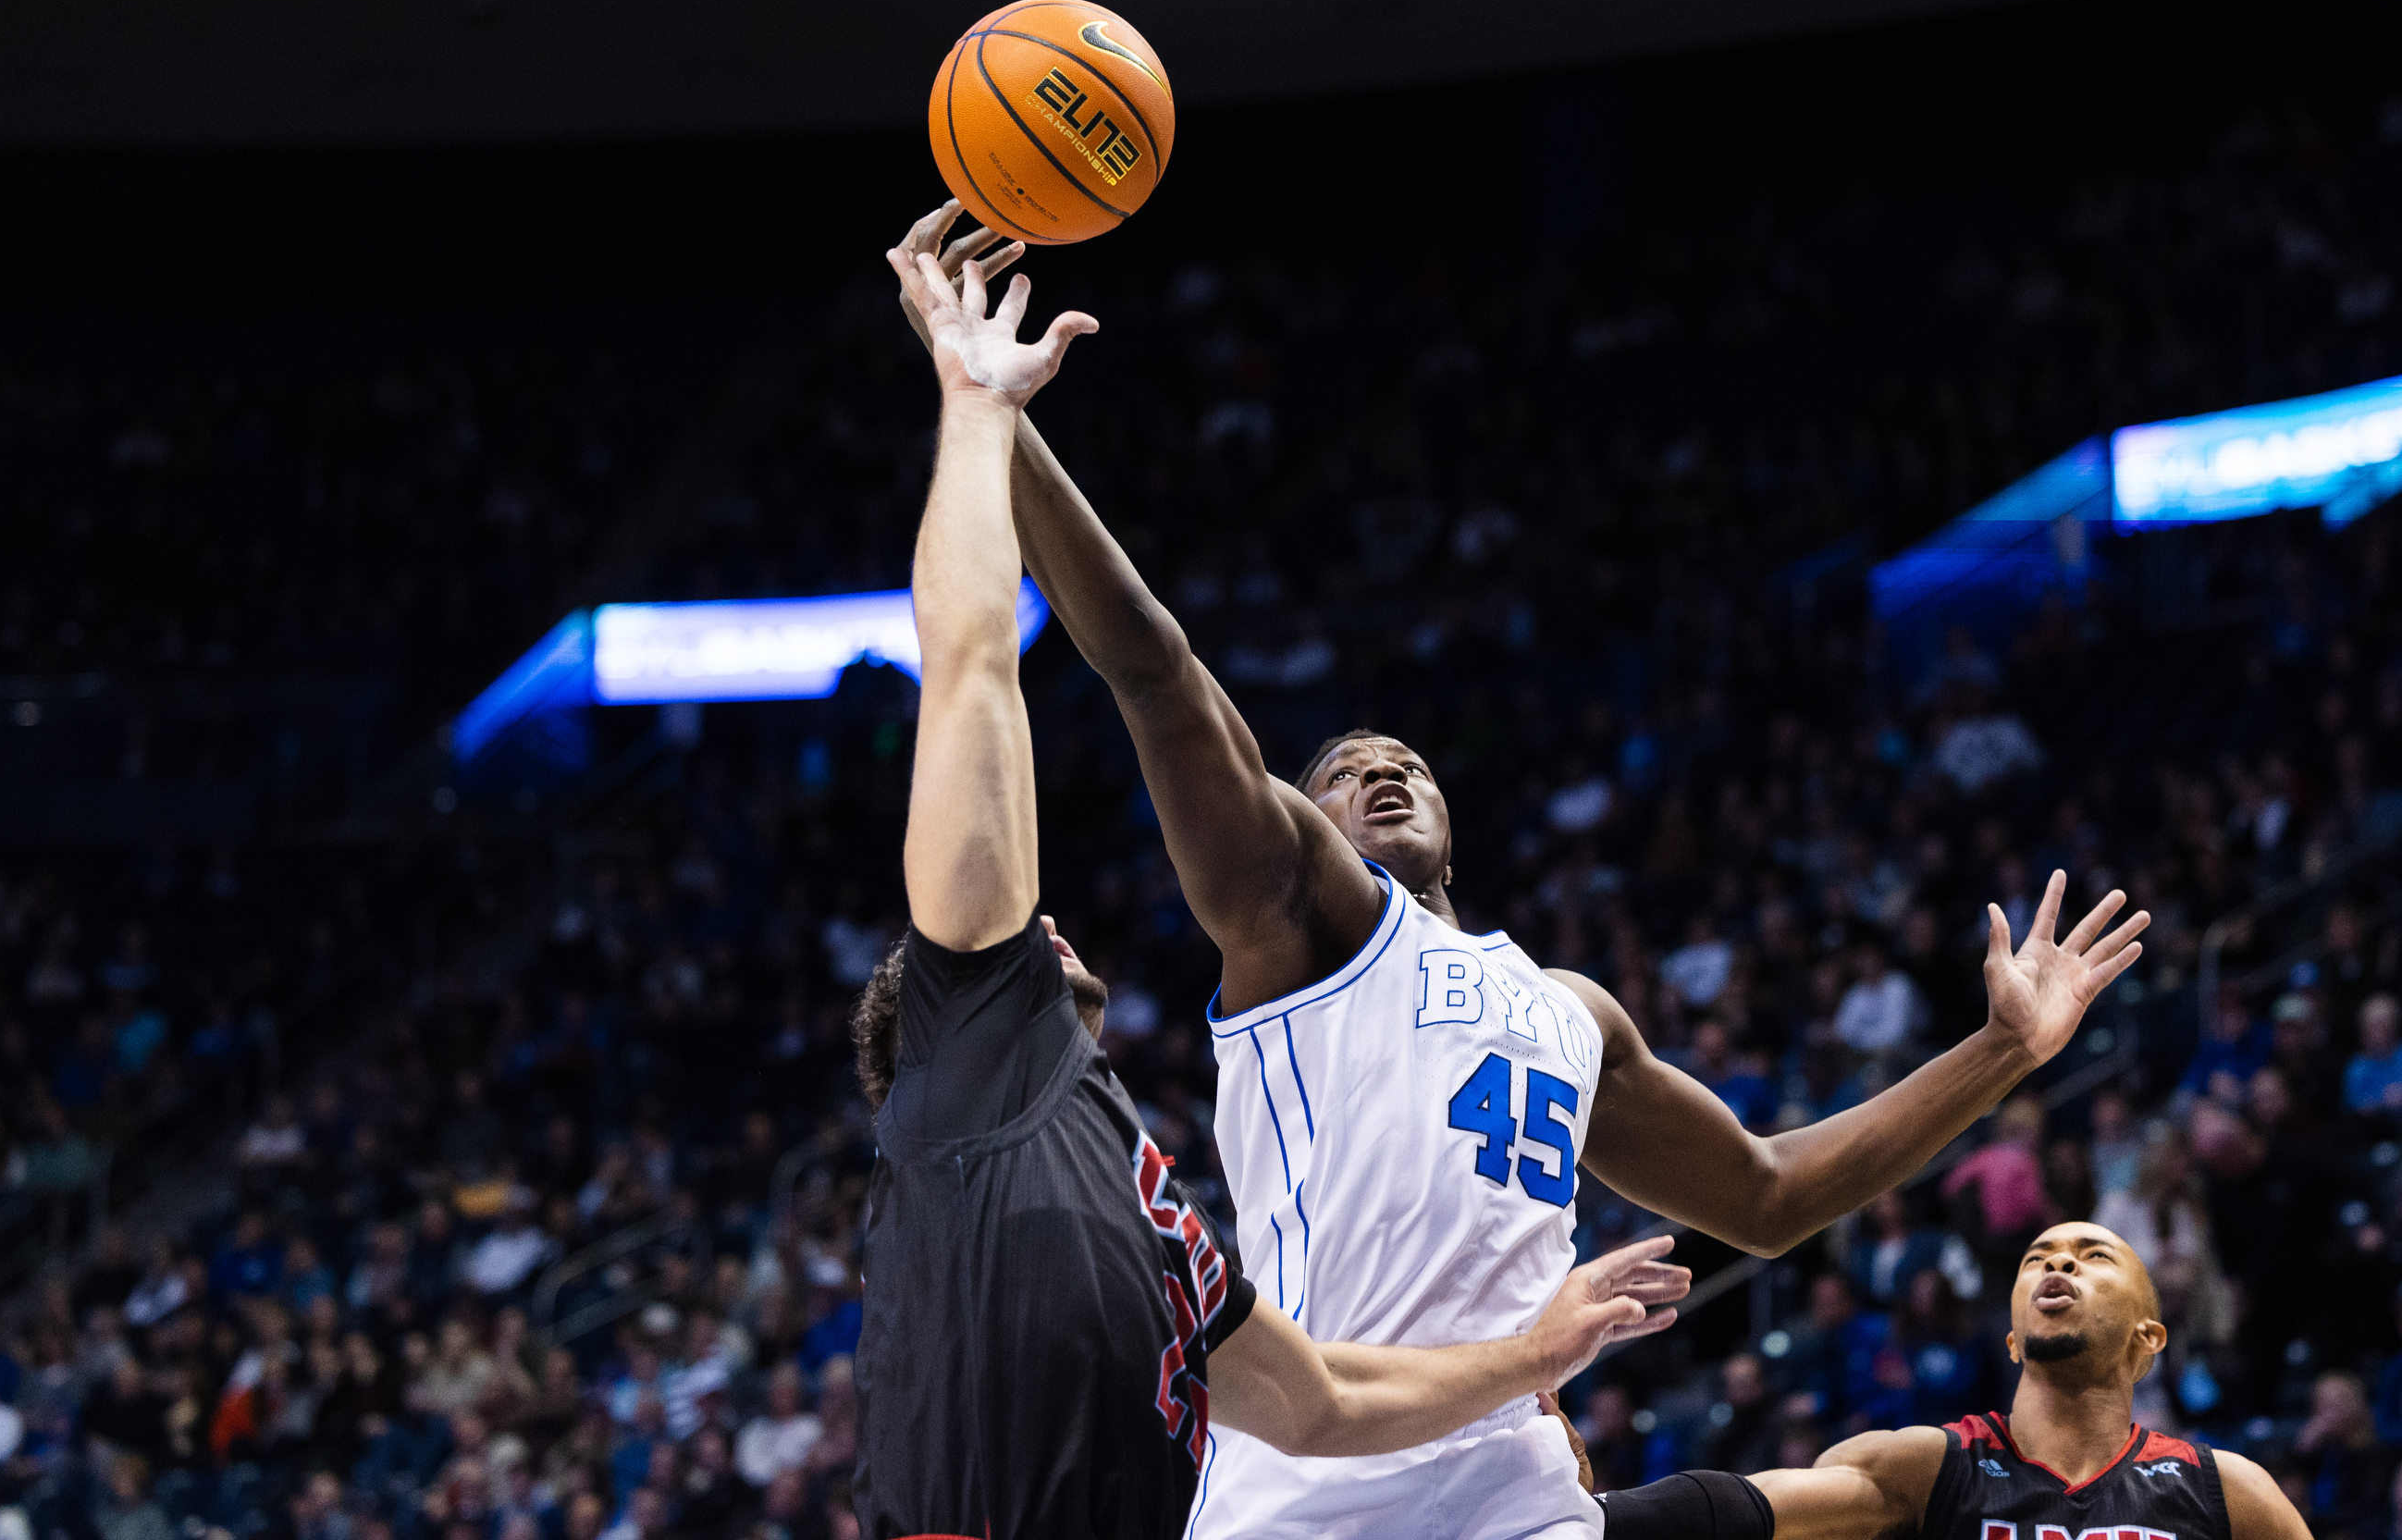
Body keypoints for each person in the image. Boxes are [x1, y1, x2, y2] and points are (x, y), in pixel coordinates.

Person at [886, 203, 2150, 1540]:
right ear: (1298, 821)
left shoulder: (1572, 1009)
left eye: (1408, 763)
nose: (1385, 772)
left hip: (1519, 1493)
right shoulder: (1304, 918)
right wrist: (994, 416)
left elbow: (1770, 1199)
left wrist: (2003, 1050)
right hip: (1310, 1486)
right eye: (1345, 769)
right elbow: (1151, 666)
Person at [853, 245, 1693, 1540]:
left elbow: (1317, 1408)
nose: (1051, 922)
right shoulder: (974, 1062)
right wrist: (974, 415)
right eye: (1024, 942)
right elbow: (970, 668)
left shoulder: (1154, 1205)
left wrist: (1535, 1364)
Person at [1670, 1221, 2308, 1540]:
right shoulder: (1927, 1468)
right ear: (2012, 1341)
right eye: (2036, 1260)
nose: (2057, 1260)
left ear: (2147, 1339)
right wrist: (1603, 1515)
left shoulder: (2227, 1492)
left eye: (2094, 1257)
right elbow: (1750, 1509)